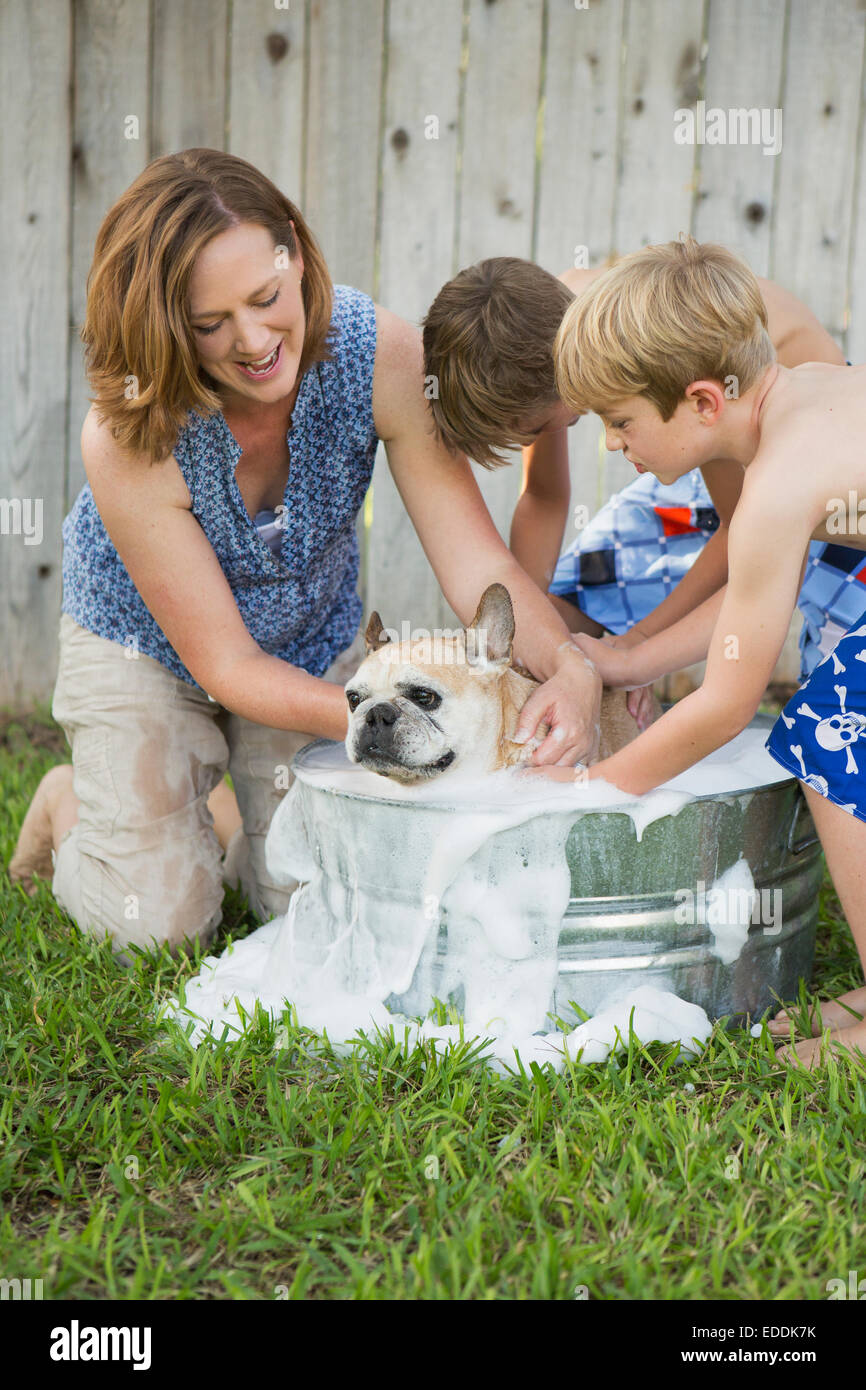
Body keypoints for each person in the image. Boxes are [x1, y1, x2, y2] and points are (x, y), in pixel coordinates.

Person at [7, 148, 599, 957]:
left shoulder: (383, 358)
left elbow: (478, 567)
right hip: (145, 646)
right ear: (162, 325)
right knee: (156, 927)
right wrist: (394, 717)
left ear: (293, 249)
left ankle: (212, 814)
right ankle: (71, 802)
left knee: (311, 901)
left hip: (307, 640)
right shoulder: (126, 433)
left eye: (266, 298)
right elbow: (229, 668)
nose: (253, 341)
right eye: (210, 324)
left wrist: (569, 666)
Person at [529, 235, 866, 1069]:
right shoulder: (813, 394)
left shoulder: (777, 489)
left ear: (704, 402)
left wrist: (595, 789)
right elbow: (744, 615)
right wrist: (628, 660)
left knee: (827, 731)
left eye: (621, 422)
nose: (613, 446)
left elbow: (724, 700)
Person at [421, 255, 854, 729]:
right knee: (561, 617)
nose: (538, 441)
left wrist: (640, 648)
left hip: (822, 491)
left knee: (830, 715)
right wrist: (516, 634)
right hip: (697, 464)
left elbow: (739, 535)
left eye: (540, 429)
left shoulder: (687, 370)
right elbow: (544, 496)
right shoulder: (551, 325)